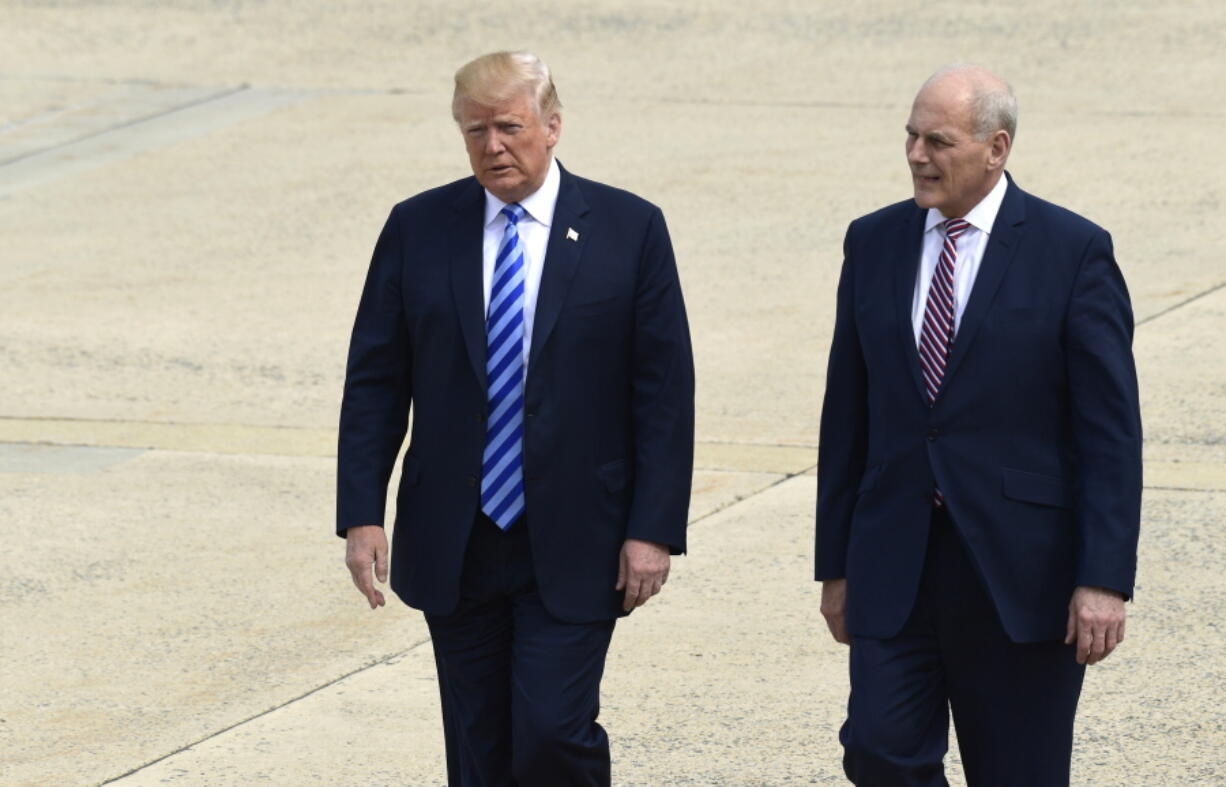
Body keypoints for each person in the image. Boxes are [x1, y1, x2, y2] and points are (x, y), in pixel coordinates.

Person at [336, 51, 694, 786]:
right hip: (456, 535)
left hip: (575, 533)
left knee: (553, 729)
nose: (492, 145)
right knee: (479, 744)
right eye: (474, 131)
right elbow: (376, 380)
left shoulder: (628, 229)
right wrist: (361, 513)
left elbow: (663, 392)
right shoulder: (419, 226)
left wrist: (652, 528)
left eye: (509, 126)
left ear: (553, 126)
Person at [815, 64, 1142, 786]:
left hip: (1021, 575)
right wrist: (834, 565)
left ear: (997, 148)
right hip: (895, 561)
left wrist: (1103, 578)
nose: (916, 155)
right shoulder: (872, 242)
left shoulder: (1072, 251)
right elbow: (847, 413)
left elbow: (1110, 433)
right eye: (910, 137)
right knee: (878, 750)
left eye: (938, 141)